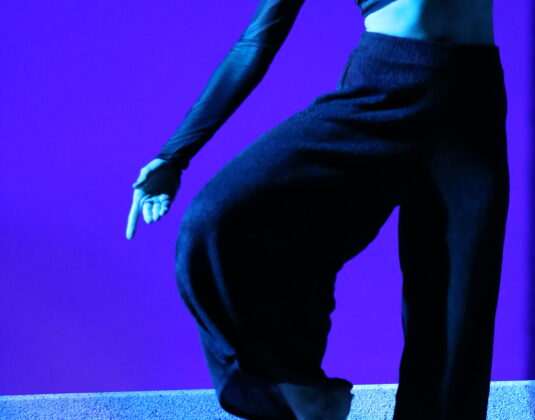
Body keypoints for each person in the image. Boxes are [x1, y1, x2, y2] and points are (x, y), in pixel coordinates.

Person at [126, 0, 509, 418]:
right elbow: (256, 40)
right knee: (216, 221)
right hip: (382, 88)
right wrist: (174, 155)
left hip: (473, 104)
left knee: (456, 322)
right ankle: (303, 392)